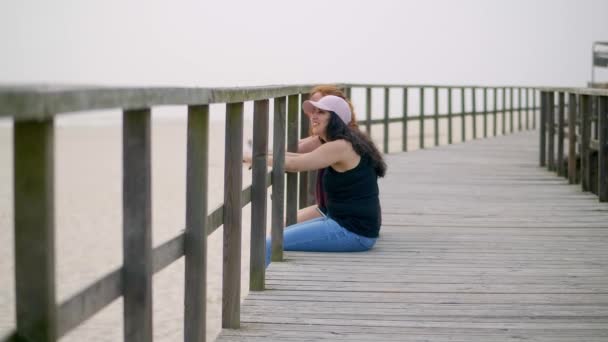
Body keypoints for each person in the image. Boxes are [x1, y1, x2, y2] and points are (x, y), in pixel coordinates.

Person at [244, 95, 386, 266]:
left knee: (269, 243)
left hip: (353, 233)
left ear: (336, 119)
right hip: (346, 223)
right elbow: (299, 156)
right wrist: (261, 156)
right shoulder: (346, 143)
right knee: (278, 233)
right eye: (313, 112)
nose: (314, 116)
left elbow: (296, 164)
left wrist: (254, 158)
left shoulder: (339, 147)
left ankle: (261, 290)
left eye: (321, 112)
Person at [296, 85, 360, 223]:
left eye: (320, 110)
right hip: (337, 209)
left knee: (282, 226)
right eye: (313, 108)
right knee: (283, 221)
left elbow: (296, 155)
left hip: (344, 216)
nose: (313, 113)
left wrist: (257, 156)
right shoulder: (344, 135)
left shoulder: (338, 142)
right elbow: (297, 147)